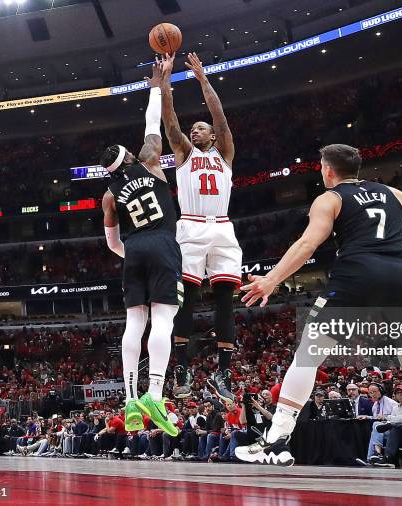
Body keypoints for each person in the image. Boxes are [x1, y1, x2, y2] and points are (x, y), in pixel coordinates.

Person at [235, 144, 402, 487]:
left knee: (308, 356)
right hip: (400, 279)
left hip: (356, 277)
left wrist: (271, 280)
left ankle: (278, 438)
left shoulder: (330, 198)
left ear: (328, 170)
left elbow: (307, 244)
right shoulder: (391, 193)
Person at [101, 59, 180, 437]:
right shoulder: (149, 162)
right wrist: (156, 82)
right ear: (130, 159)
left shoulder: (108, 195)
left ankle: (130, 399)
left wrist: (130, 253)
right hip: (163, 243)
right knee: (163, 320)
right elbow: (152, 124)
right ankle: (155, 394)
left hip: (133, 251)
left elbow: (112, 242)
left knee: (135, 323)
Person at [160, 52, 242, 403]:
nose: (196, 130)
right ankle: (182, 367)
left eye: (202, 128)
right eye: (194, 129)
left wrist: (203, 79)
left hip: (222, 227)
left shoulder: (224, 151)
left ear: (212, 134)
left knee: (226, 302)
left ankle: (223, 371)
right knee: (187, 302)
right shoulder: (183, 152)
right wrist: (165, 84)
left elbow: (220, 117)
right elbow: (170, 121)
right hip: (190, 227)